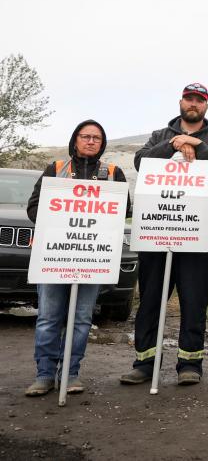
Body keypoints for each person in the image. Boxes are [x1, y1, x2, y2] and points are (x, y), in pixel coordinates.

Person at [120, 83, 208, 386]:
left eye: (199, 100)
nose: (193, 103)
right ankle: (144, 364)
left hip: (200, 231)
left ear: (206, 106)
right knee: (151, 299)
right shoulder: (160, 135)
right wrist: (173, 144)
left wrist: (195, 144)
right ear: (181, 101)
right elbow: (141, 162)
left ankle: (190, 364)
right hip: (158, 228)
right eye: (189, 98)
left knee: (194, 300)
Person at [24, 120, 129, 396]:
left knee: (82, 319)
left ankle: (71, 374)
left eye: (97, 137)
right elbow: (34, 208)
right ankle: (44, 375)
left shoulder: (114, 173)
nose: (91, 141)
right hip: (54, 256)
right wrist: (60, 221)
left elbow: (123, 210)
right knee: (48, 318)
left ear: (102, 143)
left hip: (92, 259)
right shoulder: (56, 170)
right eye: (86, 136)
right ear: (75, 140)